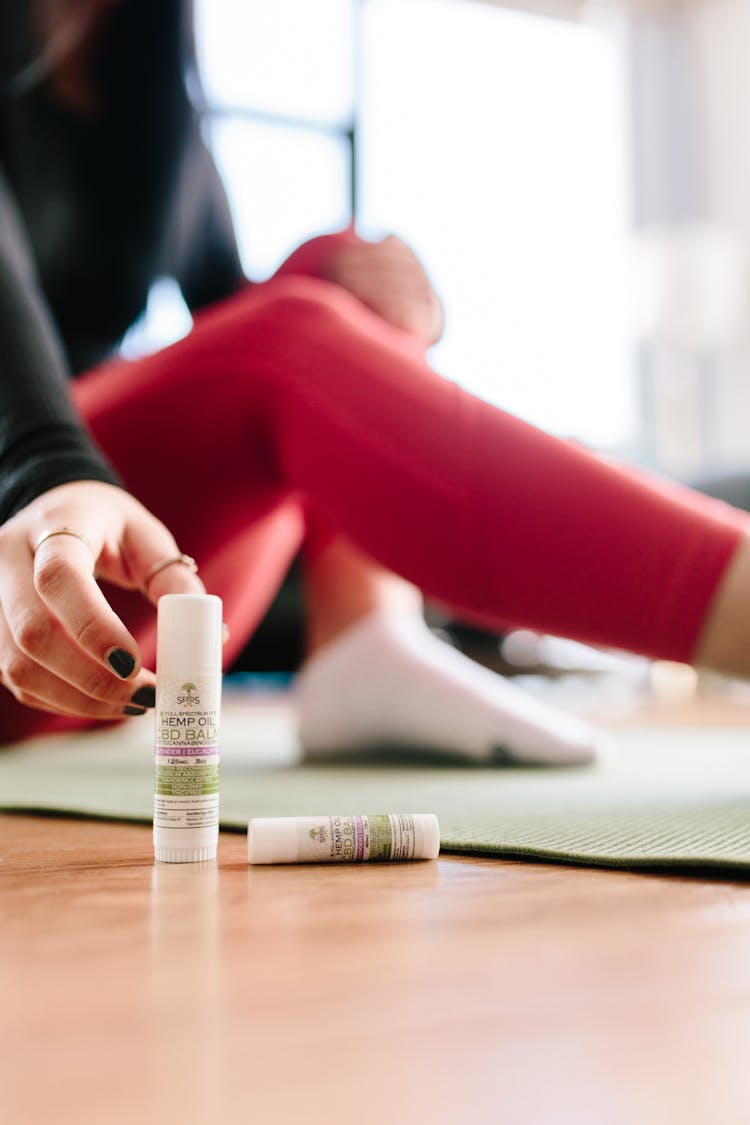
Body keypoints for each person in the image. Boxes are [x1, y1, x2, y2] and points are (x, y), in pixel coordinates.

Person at [1, 0, 749, 764]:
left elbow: (227, 321)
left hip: (114, 594)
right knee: (291, 333)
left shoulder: (150, 78)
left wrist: (375, 315)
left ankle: (367, 634)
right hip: (23, 548)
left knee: (338, 266)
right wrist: (43, 468)